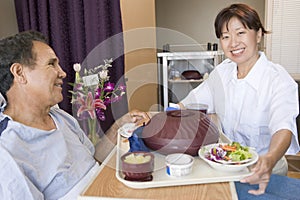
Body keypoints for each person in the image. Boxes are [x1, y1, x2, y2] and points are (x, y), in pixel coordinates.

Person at [132, 3, 300, 195]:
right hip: (224, 165)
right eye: (225, 37)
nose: (233, 43)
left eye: (241, 33)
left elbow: (283, 128)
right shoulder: (223, 72)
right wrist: (154, 119)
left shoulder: (278, 79)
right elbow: (186, 105)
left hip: (263, 169)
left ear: (259, 34)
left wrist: (269, 159)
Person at [0, 31, 100, 199]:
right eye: (51, 64)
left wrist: (119, 127)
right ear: (19, 73)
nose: (62, 73)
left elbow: (93, 161)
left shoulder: (61, 117)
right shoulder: (7, 148)